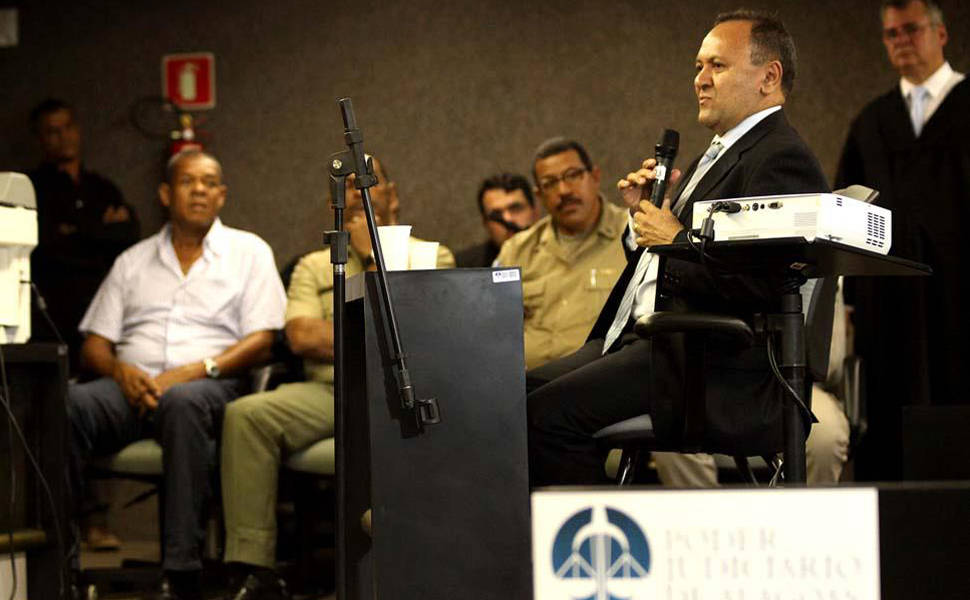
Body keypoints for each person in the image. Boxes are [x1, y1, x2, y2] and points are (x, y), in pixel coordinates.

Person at [528, 9, 831, 487]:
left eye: (717, 66)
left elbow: (766, 284)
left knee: (544, 418)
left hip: (707, 364)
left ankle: (597, 555)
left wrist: (675, 239)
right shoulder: (717, 154)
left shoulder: (780, 159)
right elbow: (670, 256)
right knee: (512, 396)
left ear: (768, 78)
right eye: (697, 67)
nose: (701, 80)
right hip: (648, 341)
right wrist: (644, 221)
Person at [220, 156, 454, 599]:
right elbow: (301, 335)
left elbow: (426, 331)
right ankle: (254, 570)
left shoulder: (432, 254)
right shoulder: (314, 264)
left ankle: (417, 564)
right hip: (328, 388)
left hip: (401, 390)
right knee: (246, 415)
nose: (356, 193)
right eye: (346, 187)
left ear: (393, 194)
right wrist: (373, 328)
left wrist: (372, 257)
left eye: (367, 182)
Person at [67, 149, 286, 600]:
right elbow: (93, 345)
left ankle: (181, 571)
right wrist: (120, 371)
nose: (200, 189)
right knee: (69, 406)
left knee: (181, 401)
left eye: (209, 182)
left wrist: (194, 370)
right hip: (130, 386)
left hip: (209, 384)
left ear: (222, 195)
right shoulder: (133, 260)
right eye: (188, 181)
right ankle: (62, 560)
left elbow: (263, 339)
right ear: (166, 194)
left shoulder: (249, 252)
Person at [835, 0, 967, 481]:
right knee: (891, 420)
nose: (902, 41)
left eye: (911, 29)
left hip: (959, 298)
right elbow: (845, 212)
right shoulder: (871, 123)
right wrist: (847, 299)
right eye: (892, 34)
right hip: (887, 304)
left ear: (941, 33)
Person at [28, 99, 140, 376]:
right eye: (53, 131)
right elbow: (47, 247)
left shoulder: (101, 187)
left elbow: (129, 235)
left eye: (67, 127)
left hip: (106, 304)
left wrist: (75, 231)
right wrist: (100, 230)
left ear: (77, 129)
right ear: (41, 138)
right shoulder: (32, 188)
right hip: (54, 307)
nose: (62, 136)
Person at [495, 138, 628, 370]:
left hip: (598, 383)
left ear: (595, 176)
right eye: (550, 183)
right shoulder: (517, 250)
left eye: (573, 175)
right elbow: (494, 329)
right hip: (529, 387)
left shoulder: (633, 234)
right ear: (539, 195)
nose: (564, 191)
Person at [454, 173, 538, 268]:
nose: (507, 219)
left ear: (535, 211)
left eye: (515, 208)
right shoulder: (466, 267)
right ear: (485, 223)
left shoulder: (554, 251)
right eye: (496, 215)